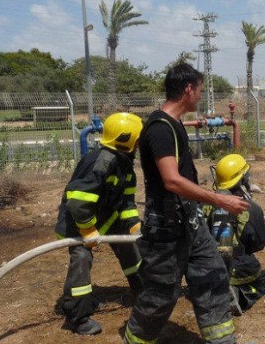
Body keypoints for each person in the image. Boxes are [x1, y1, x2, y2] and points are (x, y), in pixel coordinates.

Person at [123, 63, 249, 344]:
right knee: (161, 295)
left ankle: (222, 341)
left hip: (190, 222)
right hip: (166, 229)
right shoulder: (159, 128)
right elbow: (172, 181)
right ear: (188, 89)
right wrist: (220, 200)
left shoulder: (175, 124)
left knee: (213, 277)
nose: (200, 97)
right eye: (200, 91)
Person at [55, 112, 144, 336]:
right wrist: (87, 231)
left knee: (131, 249)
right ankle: (78, 317)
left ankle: (143, 292)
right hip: (77, 222)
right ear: (127, 140)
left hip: (108, 219)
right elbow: (78, 203)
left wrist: (134, 225)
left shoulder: (125, 165)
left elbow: (127, 201)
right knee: (82, 259)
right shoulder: (101, 162)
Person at [204, 154, 265, 316]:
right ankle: (240, 294)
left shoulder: (204, 202)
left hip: (206, 266)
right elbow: (258, 244)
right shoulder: (250, 209)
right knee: (258, 286)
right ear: (241, 180)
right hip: (237, 268)